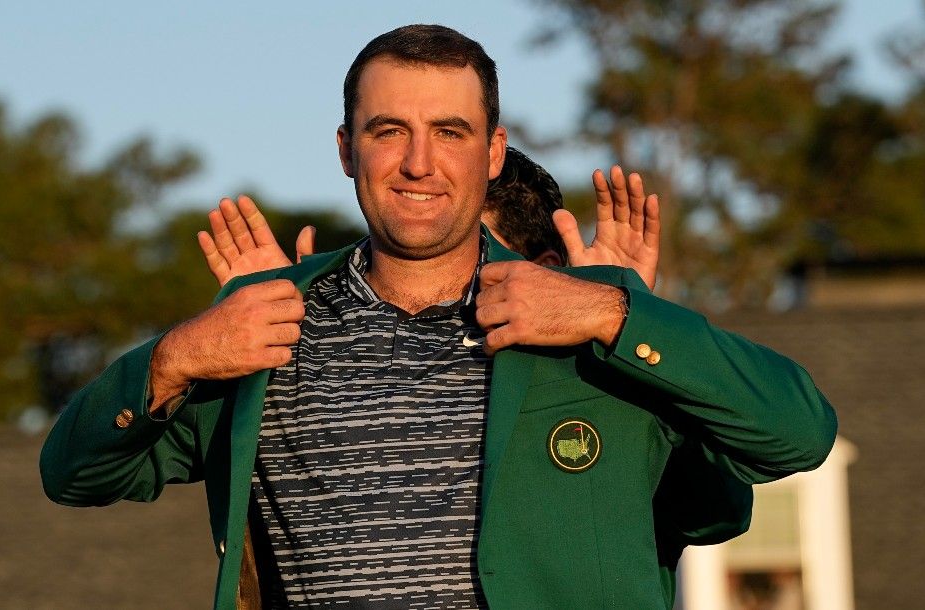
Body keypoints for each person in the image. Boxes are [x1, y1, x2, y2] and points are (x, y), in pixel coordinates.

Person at [41, 25, 836, 610]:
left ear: (493, 152)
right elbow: (75, 476)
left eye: (449, 133)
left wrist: (614, 312)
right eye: (390, 132)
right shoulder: (269, 327)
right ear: (347, 148)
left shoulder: (586, 320)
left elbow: (796, 435)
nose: (419, 163)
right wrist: (175, 359)